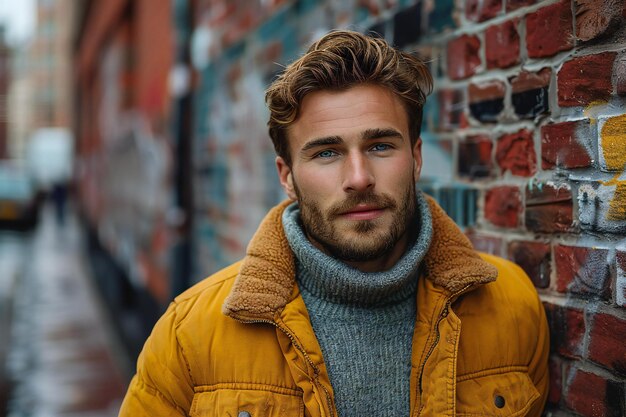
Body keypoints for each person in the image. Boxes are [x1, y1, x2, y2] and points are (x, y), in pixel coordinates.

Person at [118, 30, 549, 417]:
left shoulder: (511, 307)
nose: (359, 177)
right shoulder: (189, 336)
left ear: (415, 158)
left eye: (380, 145)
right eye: (326, 152)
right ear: (287, 176)